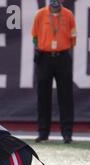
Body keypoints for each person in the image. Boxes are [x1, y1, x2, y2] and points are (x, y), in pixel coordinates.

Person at [32, 0, 76, 143]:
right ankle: (43, 133)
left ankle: (67, 133)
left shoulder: (68, 15)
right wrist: (41, 47)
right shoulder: (40, 14)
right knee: (43, 95)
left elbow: (73, 38)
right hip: (44, 58)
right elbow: (34, 36)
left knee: (66, 96)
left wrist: (60, 46)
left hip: (62, 57)